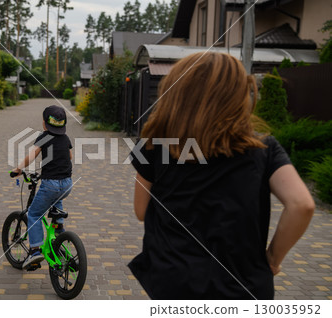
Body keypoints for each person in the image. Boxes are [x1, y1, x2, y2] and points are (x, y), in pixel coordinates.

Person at [129, 52, 315, 299]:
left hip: (173, 280)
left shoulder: (155, 144)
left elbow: (141, 211)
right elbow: (302, 205)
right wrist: (272, 258)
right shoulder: (263, 148)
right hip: (243, 285)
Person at [12, 105, 73, 269]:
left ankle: (35, 251)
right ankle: (59, 232)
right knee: (56, 204)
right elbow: (70, 156)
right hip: (67, 184)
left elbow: (31, 157)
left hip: (50, 184)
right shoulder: (66, 138)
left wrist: (18, 169)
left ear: (45, 124)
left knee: (34, 214)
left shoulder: (44, 137)